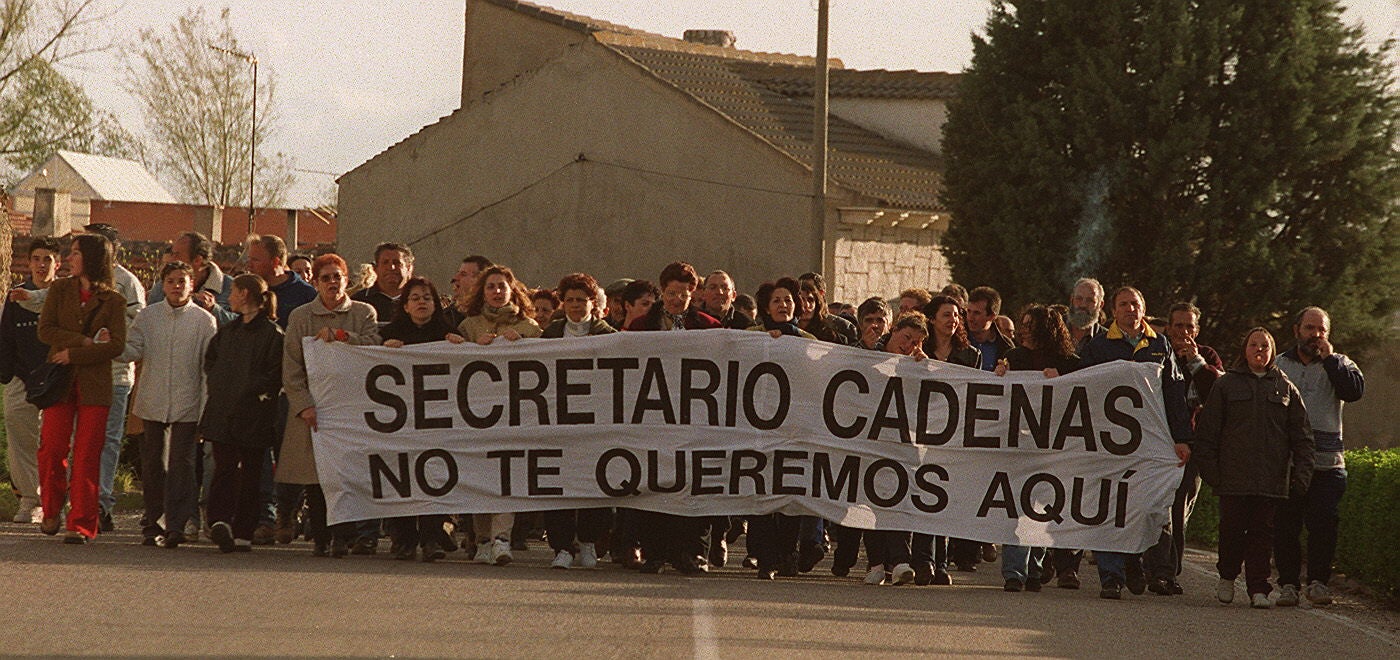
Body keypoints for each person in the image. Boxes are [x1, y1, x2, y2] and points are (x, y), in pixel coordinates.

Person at [1078, 286, 1193, 599]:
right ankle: (1111, 577)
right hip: (1110, 444)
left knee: (1153, 506)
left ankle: (1155, 571)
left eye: (1135, 304)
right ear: (1114, 311)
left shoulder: (1160, 344)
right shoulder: (1099, 346)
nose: (1130, 309)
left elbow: (1174, 393)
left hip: (1151, 442)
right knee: (1111, 508)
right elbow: (1080, 390)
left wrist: (1181, 438)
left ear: (1144, 309)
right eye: (1124, 304)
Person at [1194, 327, 1313, 609]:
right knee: (1231, 531)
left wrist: (1302, 475)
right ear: (1244, 350)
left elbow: (1303, 436)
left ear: (1272, 352)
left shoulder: (1285, 388)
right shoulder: (1226, 385)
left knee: (1262, 534)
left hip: (1270, 480)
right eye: (1254, 345)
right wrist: (1213, 473)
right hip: (1233, 478)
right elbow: (1208, 432)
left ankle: (1258, 587)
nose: (1259, 350)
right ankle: (1227, 576)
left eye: (1265, 346)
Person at [280, 254, 381, 557]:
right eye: (326, 278)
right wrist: (303, 405)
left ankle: (345, 536)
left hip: (352, 407)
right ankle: (321, 536)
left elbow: (375, 347)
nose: (333, 283)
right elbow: (292, 366)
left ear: (346, 280)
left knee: (348, 474)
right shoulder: (300, 317)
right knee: (316, 476)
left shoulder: (363, 313)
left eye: (338, 277)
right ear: (316, 283)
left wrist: (343, 337)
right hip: (316, 408)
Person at [628, 261, 720, 575]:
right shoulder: (641, 326)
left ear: (693, 294)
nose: (677, 299)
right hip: (652, 417)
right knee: (654, 484)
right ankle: (655, 552)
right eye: (671, 292)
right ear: (661, 292)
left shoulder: (709, 326)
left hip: (695, 418)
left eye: (683, 293)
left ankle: (691, 552)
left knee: (692, 484)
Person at [119, 261, 219, 548]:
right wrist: (110, 345)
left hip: (188, 403)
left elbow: (206, 368)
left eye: (182, 281)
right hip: (153, 400)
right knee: (153, 465)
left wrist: (204, 410)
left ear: (192, 285)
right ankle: (153, 521)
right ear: (163, 285)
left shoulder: (204, 321)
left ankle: (176, 524)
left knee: (181, 464)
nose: (177, 287)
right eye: (172, 281)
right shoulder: (148, 317)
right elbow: (133, 349)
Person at [36, 233, 128, 543]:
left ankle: (82, 523)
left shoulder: (114, 300)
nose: (70, 258)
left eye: (76, 253)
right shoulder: (60, 290)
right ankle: (50, 509)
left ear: (91, 258)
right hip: (59, 382)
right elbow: (46, 330)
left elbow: (116, 345)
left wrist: (75, 353)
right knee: (52, 448)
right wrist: (84, 341)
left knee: (88, 453)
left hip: (95, 385)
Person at [1274, 307, 1364, 607]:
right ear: (1297, 330)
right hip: (1288, 463)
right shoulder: (1279, 364)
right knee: (1286, 525)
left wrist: (1330, 360)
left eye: (1321, 330)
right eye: (1310, 328)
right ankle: (1288, 584)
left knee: (1324, 523)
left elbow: (1353, 392)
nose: (1316, 335)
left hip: (1327, 464)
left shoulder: (1340, 364)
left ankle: (1317, 583)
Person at [456, 264, 543, 565]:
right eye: (490, 286)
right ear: (482, 292)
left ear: (512, 291)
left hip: (515, 416)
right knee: (480, 477)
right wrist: (465, 347)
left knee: (508, 477)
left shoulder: (529, 327)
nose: (496, 291)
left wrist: (519, 338)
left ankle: (502, 539)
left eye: (501, 286)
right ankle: (481, 539)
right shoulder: (468, 326)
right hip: (477, 415)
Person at [993, 304, 1079, 592]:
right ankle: (1014, 572)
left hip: (1053, 446)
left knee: (1042, 507)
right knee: (1017, 505)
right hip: (1019, 443)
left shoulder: (1069, 363)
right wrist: (1000, 375)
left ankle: (1035, 567)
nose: (1024, 329)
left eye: (1031, 324)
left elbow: (1084, 397)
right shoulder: (1014, 358)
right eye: (1023, 323)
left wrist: (1064, 383)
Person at [379, 276, 465, 561]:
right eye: (415, 297)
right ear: (405, 305)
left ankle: (432, 537)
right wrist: (384, 350)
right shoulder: (391, 334)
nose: (421, 302)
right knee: (402, 477)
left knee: (433, 476)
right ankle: (403, 539)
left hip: (436, 422)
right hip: (400, 422)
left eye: (427, 297)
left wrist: (457, 345)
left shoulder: (447, 333)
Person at [1144, 302, 1224, 596]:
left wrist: (1196, 363)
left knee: (1178, 509)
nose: (1184, 332)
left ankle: (1168, 572)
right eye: (1178, 326)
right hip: (1156, 443)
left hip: (1193, 446)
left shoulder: (1207, 356)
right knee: (1153, 506)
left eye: (1189, 326)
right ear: (1168, 327)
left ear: (1197, 330)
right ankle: (1152, 566)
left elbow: (1218, 391)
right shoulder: (1155, 351)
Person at [200, 274, 284, 554]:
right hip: (223, 412)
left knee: (251, 472)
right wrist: (221, 388)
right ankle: (220, 521)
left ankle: (243, 531)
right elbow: (211, 361)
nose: (230, 297)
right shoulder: (228, 332)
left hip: (254, 414)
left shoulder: (272, 335)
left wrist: (252, 392)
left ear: (246, 294)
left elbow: (275, 374)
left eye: (234, 292)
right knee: (224, 469)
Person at [244, 234, 317, 545]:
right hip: (258, 387)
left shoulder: (304, 296)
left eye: (255, 259)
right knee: (258, 452)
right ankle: (265, 516)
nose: (249, 265)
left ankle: (288, 512)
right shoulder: (249, 290)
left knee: (289, 453)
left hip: (293, 388)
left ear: (276, 262)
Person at [540, 273, 617, 570]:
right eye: (569, 300)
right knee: (556, 483)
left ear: (592, 303)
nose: (575, 305)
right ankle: (561, 547)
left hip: (595, 422)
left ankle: (587, 542)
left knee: (591, 482)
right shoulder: (550, 334)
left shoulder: (608, 335)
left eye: (581, 300)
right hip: (557, 422)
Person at [744, 278, 816, 580]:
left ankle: (788, 552)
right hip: (757, 426)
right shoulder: (749, 337)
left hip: (794, 427)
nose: (783, 304)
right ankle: (765, 557)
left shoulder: (808, 340)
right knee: (760, 492)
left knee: (790, 492)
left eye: (788, 300)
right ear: (766, 306)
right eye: (777, 300)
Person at [85, 224, 146, 533]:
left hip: (115, 373)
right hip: (82, 371)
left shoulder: (127, 282)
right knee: (80, 440)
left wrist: (110, 333)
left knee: (108, 440)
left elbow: (139, 322)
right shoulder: (76, 281)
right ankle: (81, 498)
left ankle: (102, 502)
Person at [862, 311, 929, 586]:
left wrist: (923, 370)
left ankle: (901, 561)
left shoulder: (914, 364)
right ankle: (877, 564)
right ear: (895, 330)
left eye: (916, 342)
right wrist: (864, 350)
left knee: (897, 499)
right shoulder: (866, 351)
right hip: (867, 440)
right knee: (870, 503)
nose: (909, 345)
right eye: (907, 337)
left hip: (900, 443)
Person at [829, 297, 891, 577]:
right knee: (850, 497)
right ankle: (845, 556)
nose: (875, 326)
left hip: (884, 438)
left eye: (880, 320)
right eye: (869, 320)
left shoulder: (898, 354)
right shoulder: (850, 352)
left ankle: (878, 559)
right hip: (854, 436)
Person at [919, 295, 981, 581]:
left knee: (944, 496)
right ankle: (923, 559)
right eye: (946, 315)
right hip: (919, 433)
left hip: (952, 435)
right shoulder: (918, 350)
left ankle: (940, 562)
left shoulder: (970, 355)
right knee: (922, 495)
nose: (953, 320)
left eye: (956, 315)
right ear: (932, 319)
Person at [1, 237, 61, 524]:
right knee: (20, 438)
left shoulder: (63, 295)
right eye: (36, 259)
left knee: (53, 441)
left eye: (47, 259)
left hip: (56, 378)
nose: (40, 265)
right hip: (20, 378)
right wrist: (9, 374)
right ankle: (29, 498)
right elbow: (6, 337)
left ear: (57, 264)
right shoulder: (15, 296)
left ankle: (55, 497)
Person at [352, 242, 413, 323]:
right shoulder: (358, 302)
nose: (391, 267)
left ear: (409, 268)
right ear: (375, 268)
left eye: (397, 262)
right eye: (385, 262)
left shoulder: (421, 301)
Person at [797, 273, 858, 344]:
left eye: (810, 300)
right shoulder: (786, 329)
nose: (806, 304)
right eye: (801, 299)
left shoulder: (841, 329)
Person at [966, 286, 1014, 372]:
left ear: (992, 316)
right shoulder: (956, 338)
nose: (970, 318)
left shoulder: (1006, 347)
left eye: (976, 313)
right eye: (968, 311)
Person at [1066, 277, 1106, 349]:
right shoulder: (1053, 331)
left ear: (1100, 305)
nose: (1083, 305)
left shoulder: (1108, 341)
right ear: (1071, 300)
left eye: (1090, 300)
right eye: (1079, 299)